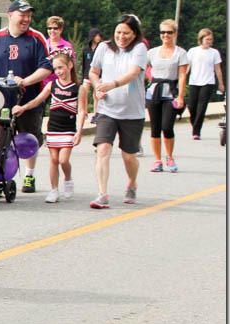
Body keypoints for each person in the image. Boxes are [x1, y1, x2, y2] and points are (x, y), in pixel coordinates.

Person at [0, 0, 52, 193]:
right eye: (22, 15)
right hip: (1, 100)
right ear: (10, 16)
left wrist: (25, 81)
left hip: (27, 99)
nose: (26, 19)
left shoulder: (36, 38)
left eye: (29, 16)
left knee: (29, 138)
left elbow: (46, 68)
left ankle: (29, 175)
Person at [87, 14, 148, 209]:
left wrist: (112, 84)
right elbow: (94, 72)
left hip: (132, 111)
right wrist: (98, 86)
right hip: (107, 109)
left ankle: (132, 182)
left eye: (126, 33)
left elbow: (133, 72)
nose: (121, 37)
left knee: (129, 156)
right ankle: (102, 194)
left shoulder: (139, 49)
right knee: (103, 149)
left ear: (135, 33)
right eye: (118, 32)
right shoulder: (104, 48)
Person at [10, 52, 87, 203]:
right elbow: (38, 100)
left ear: (70, 65)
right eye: (55, 68)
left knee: (63, 160)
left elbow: (82, 110)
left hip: (68, 129)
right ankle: (54, 190)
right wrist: (23, 108)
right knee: (53, 159)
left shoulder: (79, 88)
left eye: (61, 67)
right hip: (53, 128)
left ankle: (68, 179)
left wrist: (79, 131)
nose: (58, 71)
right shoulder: (52, 85)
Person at [145, 19, 188, 172]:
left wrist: (181, 96)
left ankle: (169, 157)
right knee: (155, 128)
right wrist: (151, 78)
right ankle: (157, 160)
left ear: (174, 33)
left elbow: (182, 76)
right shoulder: (152, 52)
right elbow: (143, 68)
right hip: (154, 92)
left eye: (169, 32)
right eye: (163, 32)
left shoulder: (180, 53)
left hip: (171, 93)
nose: (165, 35)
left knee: (167, 126)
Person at [185, 27, 225, 140]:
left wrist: (221, 83)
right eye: (207, 39)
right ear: (201, 39)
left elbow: (217, 69)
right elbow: (188, 66)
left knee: (201, 107)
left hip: (208, 82)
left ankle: (196, 131)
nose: (209, 42)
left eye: (211, 40)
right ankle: (195, 125)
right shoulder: (193, 51)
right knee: (192, 106)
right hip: (194, 82)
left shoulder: (214, 53)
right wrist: (182, 78)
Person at [83, 28, 104, 119]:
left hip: (98, 75)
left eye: (99, 35)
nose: (98, 38)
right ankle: (84, 113)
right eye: (96, 35)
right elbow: (83, 64)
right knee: (84, 93)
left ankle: (96, 114)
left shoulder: (101, 49)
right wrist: (84, 76)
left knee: (96, 95)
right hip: (87, 75)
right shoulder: (86, 50)